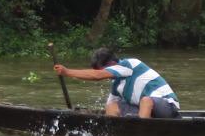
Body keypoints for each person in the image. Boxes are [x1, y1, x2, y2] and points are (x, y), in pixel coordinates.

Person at [52, 48, 181, 118]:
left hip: (168, 108)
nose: (106, 75)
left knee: (146, 100)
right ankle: (116, 135)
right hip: (147, 113)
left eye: (105, 70)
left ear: (112, 64)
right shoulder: (116, 86)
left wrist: (67, 72)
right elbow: (108, 110)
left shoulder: (130, 64)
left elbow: (97, 76)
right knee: (112, 106)